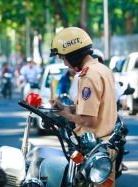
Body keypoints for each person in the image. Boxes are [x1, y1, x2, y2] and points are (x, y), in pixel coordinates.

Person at [49, 27, 117, 186]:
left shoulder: (88, 76)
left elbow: (89, 120)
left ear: (73, 55)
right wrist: (68, 108)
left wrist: (65, 114)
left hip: (94, 149)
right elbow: (96, 106)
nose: (64, 63)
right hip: (106, 146)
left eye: (63, 58)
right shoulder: (102, 69)